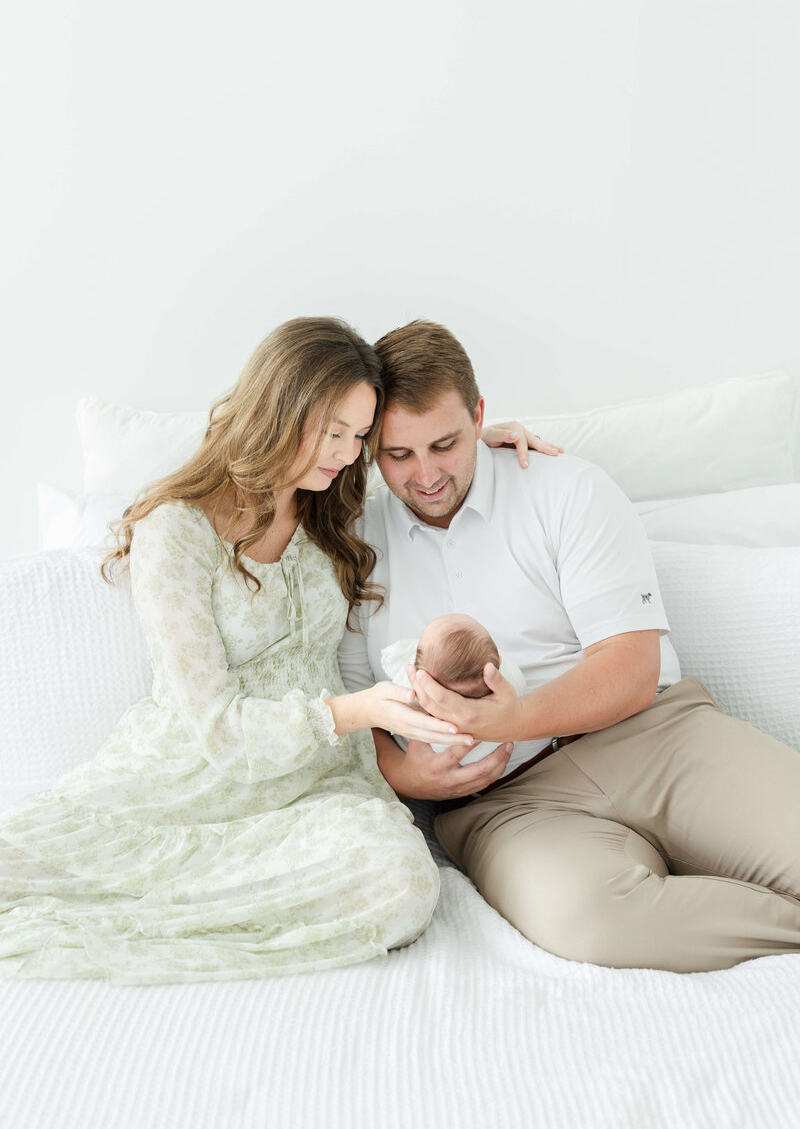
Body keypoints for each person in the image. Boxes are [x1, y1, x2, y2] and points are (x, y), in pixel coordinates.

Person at [0, 317, 466, 984]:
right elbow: (217, 730)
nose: (344, 452)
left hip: (313, 791)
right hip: (181, 782)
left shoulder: (333, 509)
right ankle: (152, 895)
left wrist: (491, 445)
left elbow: (430, 473)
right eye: (332, 430)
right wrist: (355, 711)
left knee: (400, 882)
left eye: (359, 436)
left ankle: (184, 897)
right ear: (278, 408)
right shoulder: (177, 531)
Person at [339, 319, 800, 973]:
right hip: (506, 805)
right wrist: (408, 775)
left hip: (654, 739)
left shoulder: (565, 488)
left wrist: (513, 717)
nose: (427, 475)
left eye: (445, 443)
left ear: (479, 416)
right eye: (398, 455)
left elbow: (631, 668)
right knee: (592, 920)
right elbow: (364, 713)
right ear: (368, 451)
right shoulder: (355, 548)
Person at [380, 613, 526, 767]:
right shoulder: (512, 679)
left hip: (439, 762)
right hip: (496, 757)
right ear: (499, 659)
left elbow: (394, 710)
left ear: (422, 680)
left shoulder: (413, 692)